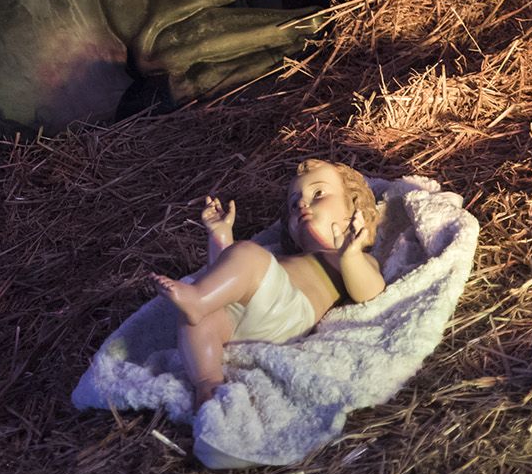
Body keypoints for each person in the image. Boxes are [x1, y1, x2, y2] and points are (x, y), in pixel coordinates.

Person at [152, 159, 386, 408]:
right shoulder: (282, 258)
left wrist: (350, 256)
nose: (302, 204)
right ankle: (207, 382)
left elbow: (371, 291)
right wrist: (220, 235)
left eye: (318, 194)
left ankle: (198, 300)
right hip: (252, 318)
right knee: (199, 318)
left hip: (290, 311)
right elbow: (225, 277)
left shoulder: (348, 258)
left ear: (354, 206)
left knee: (245, 255)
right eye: (294, 203)